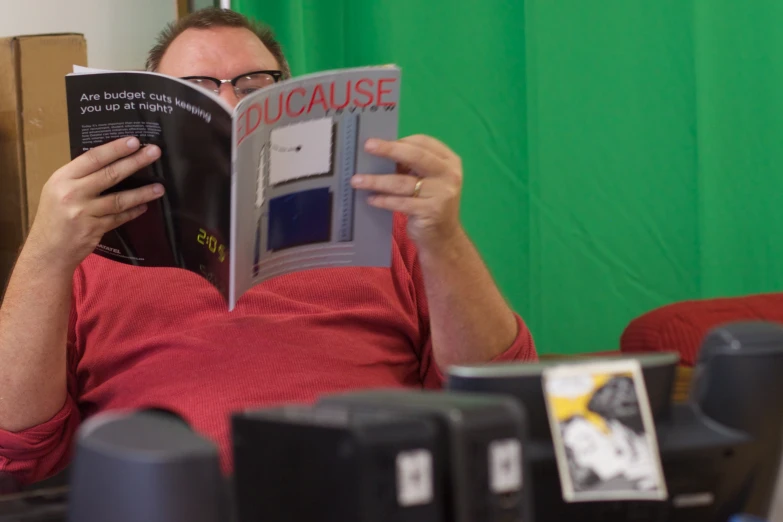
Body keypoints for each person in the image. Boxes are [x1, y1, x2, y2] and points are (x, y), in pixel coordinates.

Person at [0, 8, 536, 485]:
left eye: (255, 85)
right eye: (199, 90)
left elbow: (497, 394)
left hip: (368, 486)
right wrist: (46, 253)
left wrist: (443, 236)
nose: (230, 105)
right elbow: (17, 450)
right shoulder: (93, 248)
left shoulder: (387, 222)